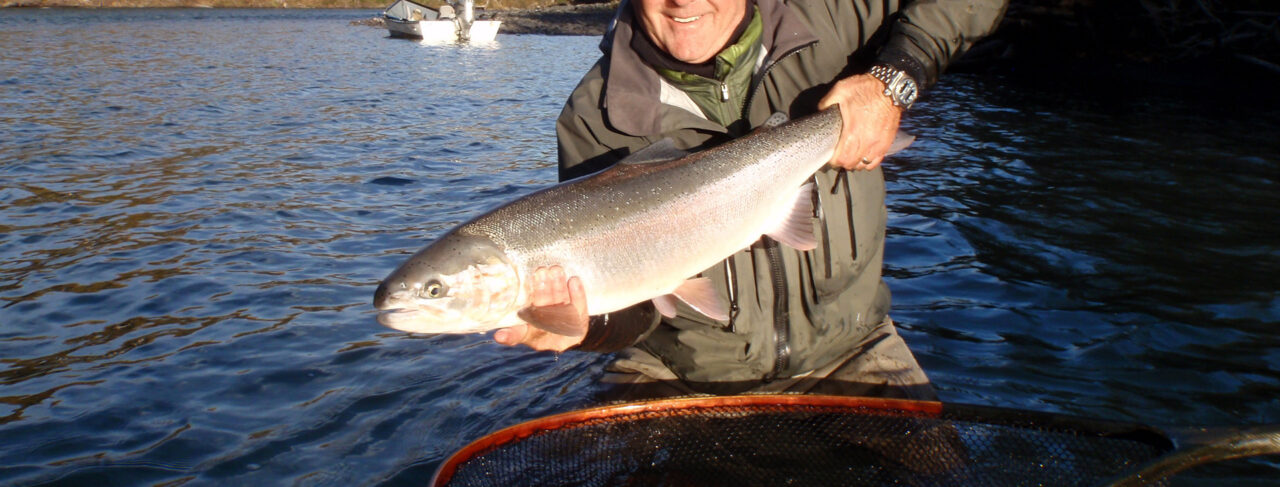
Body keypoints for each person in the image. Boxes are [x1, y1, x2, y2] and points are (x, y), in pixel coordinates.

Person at [494, 0, 1008, 400]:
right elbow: (632, 314)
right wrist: (586, 326)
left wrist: (894, 79)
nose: (681, 3)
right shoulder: (594, 116)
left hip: (855, 347)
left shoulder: (831, 19)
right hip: (679, 372)